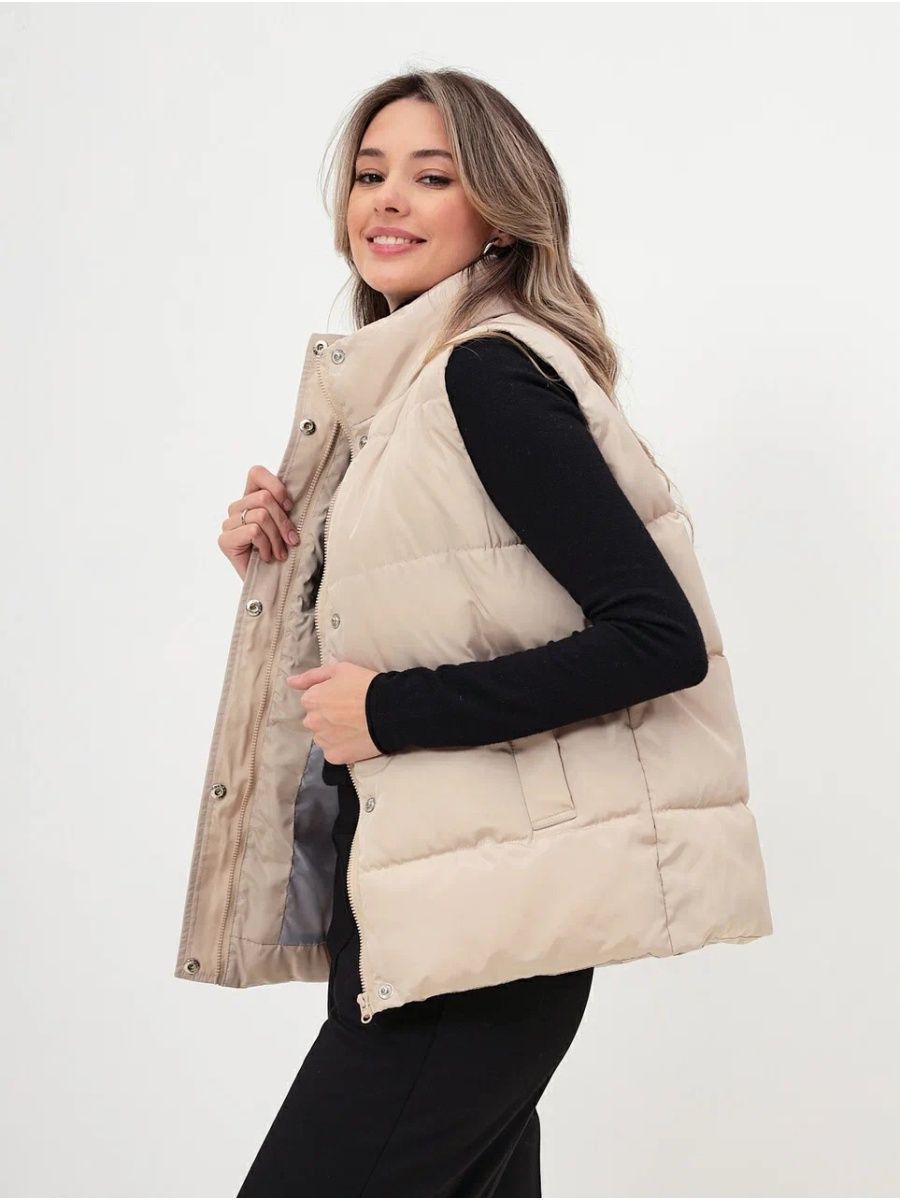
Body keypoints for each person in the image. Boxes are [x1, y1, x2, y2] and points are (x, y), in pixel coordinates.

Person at [177, 67, 772, 1198]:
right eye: (370, 174)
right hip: (430, 912)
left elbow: (657, 638)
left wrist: (390, 711)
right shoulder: (407, 393)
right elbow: (445, 603)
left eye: (431, 176)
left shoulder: (484, 375)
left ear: (497, 211)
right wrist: (287, 559)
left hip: (470, 943)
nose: (388, 200)